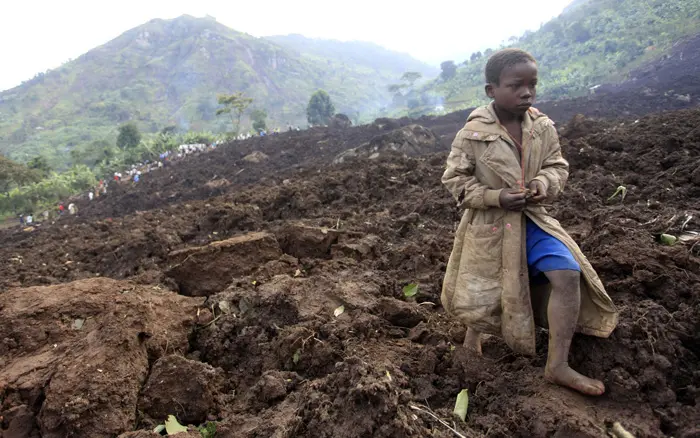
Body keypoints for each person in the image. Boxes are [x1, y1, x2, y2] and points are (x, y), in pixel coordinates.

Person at [441, 49, 618, 396]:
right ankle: (473, 335)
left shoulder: (542, 127)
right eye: (515, 85)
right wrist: (497, 197)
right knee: (485, 287)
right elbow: (455, 180)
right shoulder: (472, 134)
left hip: (532, 220)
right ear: (492, 90)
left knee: (567, 274)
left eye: (532, 84)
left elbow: (557, 165)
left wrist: (543, 184)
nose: (526, 92)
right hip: (489, 226)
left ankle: (558, 365)